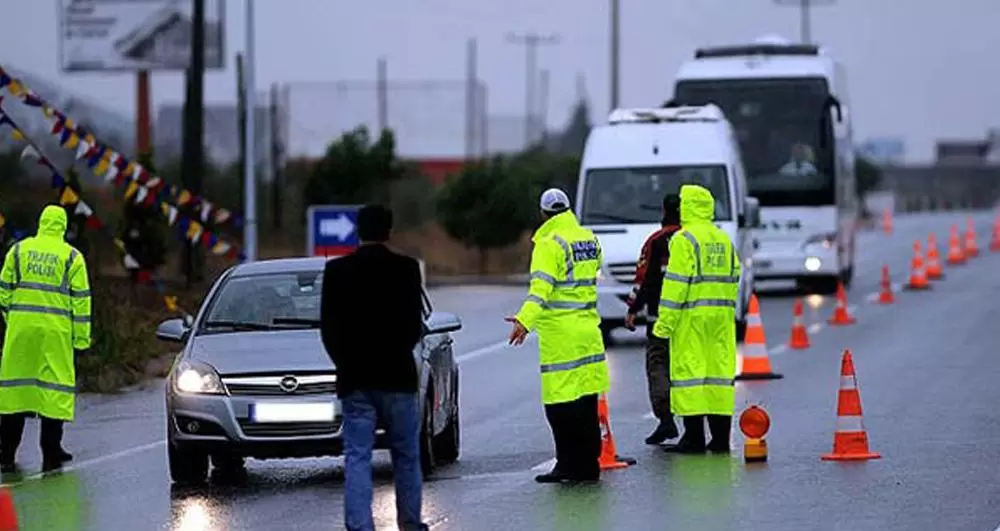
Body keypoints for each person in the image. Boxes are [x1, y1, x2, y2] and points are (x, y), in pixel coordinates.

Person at [319, 203, 429, 531]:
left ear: (358, 230)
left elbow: (328, 328)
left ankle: (360, 525)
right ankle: (410, 522)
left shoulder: (337, 271)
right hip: (397, 377)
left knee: (357, 457)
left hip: (356, 379)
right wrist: (397, 351)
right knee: (406, 457)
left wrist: (345, 362)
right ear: (389, 230)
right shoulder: (406, 269)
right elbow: (414, 326)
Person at [505, 188, 610, 484]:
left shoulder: (549, 244)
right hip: (589, 330)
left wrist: (524, 321)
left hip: (562, 335)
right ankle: (589, 465)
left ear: (543, 213)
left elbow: (541, 290)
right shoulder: (588, 239)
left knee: (560, 405)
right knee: (587, 400)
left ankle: (567, 465)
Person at [0, 205, 92, 473]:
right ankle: (51, 451)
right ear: (63, 227)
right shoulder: (72, 258)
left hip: (21, 331)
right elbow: (82, 302)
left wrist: (13, 317)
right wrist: (81, 340)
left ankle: (5, 453)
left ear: (40, 223)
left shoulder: (18, 250)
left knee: (15, 391)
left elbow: (3, 288)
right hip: (56, 333)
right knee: (54, 390)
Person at [653, 184, 740, 454]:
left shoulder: (684, 240)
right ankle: (721, 438)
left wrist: (663, 325)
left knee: (691, 375)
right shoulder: (722, 238)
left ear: (687, 207)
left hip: (691, 319)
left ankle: (693, 438)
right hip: (722, 319)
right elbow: (735, 275)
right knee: (718, 376)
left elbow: (675, 286)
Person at [624, 193, 682, 445]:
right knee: (689, 369)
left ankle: (666, 421)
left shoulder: (655, 242)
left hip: (660, 318)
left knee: (658, 366)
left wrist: (632, 309)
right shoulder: (694, 239)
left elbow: (643, 279)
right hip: (692, 319)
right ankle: (697, 425)